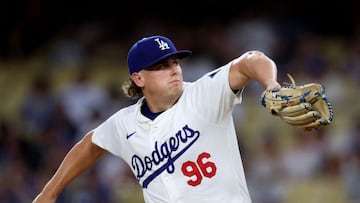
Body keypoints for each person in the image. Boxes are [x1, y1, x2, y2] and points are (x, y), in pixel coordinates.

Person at [32, 35, 281, 203]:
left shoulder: (204, 95)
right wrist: (49, 193)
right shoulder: (124, 124)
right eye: (161, 66)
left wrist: (271, 84)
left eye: (175, 62)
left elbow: (252, 60)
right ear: (139, 79)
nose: (174, 69)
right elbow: (91, 144)